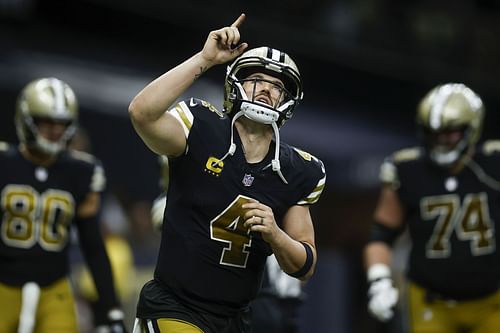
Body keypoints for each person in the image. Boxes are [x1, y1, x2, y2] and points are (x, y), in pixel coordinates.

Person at [128, 13, 326, 333]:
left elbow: (305, 265)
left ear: (288, 100)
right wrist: (205, 59)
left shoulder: (299, 170)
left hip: (236, 319)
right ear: (235, 84)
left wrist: (276, 234)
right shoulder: (201, 126)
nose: (266, 90)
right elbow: (142, 113)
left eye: (277, 86)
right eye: (257, 80)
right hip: (174, 306)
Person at [364, 83, 500, 332]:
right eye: (433, 132)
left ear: (471, 128)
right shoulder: (407, 169)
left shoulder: (493, 163)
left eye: (450, 133)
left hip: (493, 301)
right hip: (432, 301)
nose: (441, 141)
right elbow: (381, 235)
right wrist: (379, 281)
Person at [0, 77, 127, 333]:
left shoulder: (82, 171)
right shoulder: (5, 162)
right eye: (47, 121)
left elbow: (93, 246)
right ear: (27, 119)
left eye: (62, 123)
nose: (55, 130)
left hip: (54, 286)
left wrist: (110, 309)